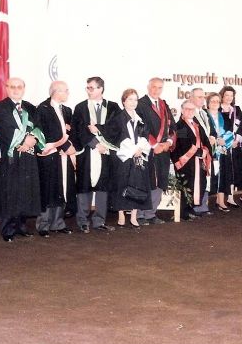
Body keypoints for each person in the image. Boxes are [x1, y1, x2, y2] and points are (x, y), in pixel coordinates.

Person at [0, 77, 43, 242]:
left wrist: (33, 139)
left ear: (24, 89)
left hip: (28, 155)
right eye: (12, 87)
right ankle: (8, 229)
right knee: (10, 192)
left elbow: (38, 127)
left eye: (19, 87)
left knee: (25, 191)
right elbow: (6, 128)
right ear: (6, 88)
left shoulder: (30, 107)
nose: (16, 90)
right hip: (11, 155)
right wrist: (24, 141)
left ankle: (21, 226)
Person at [71, 76, 120, 233]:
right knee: (84, 186)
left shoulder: (113, 107)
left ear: (101, 89)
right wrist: (94, 144)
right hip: (87, 151)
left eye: (91, 88)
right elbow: (78, 130)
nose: (89, 90)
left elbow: (116, 128)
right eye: (87, 87)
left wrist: (99, 130)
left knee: (103, 187)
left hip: (106, 152)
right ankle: (82, 221)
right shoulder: (81, 107)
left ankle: (100, 221)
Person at [103, 88, 152, 228]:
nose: (133, 102)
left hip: (138, 157)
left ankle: (134, 216)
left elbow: (144, 136)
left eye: (135, 100)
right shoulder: (117, 118)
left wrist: (140, 149)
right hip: (123, 158)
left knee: (137, 185)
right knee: (121, 184)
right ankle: (121, 215)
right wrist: (133, 150)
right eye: (130, 99)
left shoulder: (140, 118)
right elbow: (116, 137)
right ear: (124, 101)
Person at [35, 81, 76, 236]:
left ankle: (58, 223)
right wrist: (63, 147)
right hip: (49, 155)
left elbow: (70, 131)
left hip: (63, 157)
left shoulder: (67, 110)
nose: (67, 93)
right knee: (48, 189)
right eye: (65, 90)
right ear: (55, 92)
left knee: (62, 188)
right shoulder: (43, 109)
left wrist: (68, 147)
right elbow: (44, 132)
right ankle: (43, 225)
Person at [135, 77, 175, 225]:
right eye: (153, 87)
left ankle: (151, 213)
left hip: (163, 150)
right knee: (145, 181)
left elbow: (172, 126)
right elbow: (140, 128)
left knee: (160, 182)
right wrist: (154, 144)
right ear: (148, 87)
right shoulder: (140, 104)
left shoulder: (164, 104)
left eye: (159, 87)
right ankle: (140, 214)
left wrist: (168, 142)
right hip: (147, 150)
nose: (156, 90)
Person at [170, 100, 211, 220]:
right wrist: (199, 152)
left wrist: (206, 150)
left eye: (192, 109)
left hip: (198, 161)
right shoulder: (180, 126)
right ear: (182, 110)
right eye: (187, 109)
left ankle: (191, 208)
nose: (190, 111)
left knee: (198, 185)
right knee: (186, 186)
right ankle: (184, 212)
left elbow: (205, 140)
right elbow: (183, 144)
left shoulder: (197, 125)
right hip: (185, 162)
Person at [206, 93, 234, 212]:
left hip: (223, 150)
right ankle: (205, 204)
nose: (215, 103)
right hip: (209, 150)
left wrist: (224, 140)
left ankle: (221, 201)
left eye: (217, 101)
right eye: (212, 101)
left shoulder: (224, 117)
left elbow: (230, 132)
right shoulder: (204, 115)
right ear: (208, 103)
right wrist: (215, 140)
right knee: (208, 176)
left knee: (223, 175)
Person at [192, 87, 216, 215]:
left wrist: (213, 137)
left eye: (203, 97)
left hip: (207, 152)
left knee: (206, 179)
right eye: (199, 97)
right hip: (197, 153)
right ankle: (195, 207)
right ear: (192, 98)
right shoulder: (189, 112)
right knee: (197, 180)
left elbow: (212, 130)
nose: (202, 99)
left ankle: (203, 206)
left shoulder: (205, 113)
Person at [219, 86, 242, 208]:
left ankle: (231, 197)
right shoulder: (217, 109)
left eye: (231, 95)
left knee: (233, 171)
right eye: (226, 95)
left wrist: (236, 140)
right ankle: (220, 199)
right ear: (222, 96)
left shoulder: (237, 110)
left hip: (234, 146)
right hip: (222, 146)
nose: (229, 98)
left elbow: (241, 128)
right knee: (223, 171)